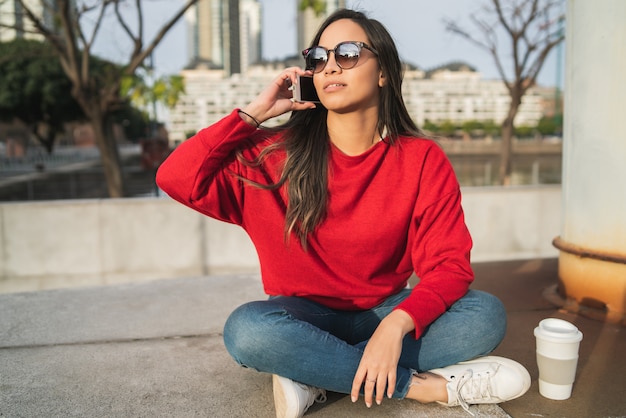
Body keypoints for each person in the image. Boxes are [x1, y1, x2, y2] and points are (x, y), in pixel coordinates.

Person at [156, 8, 530, 418]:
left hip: (385, 310)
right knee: (247, 331)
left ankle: (313, 373)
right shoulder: (272, 155)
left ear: (384, 71)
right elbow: (175, 177)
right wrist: (254, 114)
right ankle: (418, 385)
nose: (331, 65)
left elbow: (449, 266)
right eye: (318, 57)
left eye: (349, 53)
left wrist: (395, 325)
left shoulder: (421, 159)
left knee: (484, 315)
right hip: (301, 318)